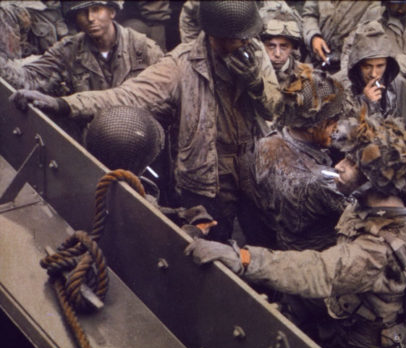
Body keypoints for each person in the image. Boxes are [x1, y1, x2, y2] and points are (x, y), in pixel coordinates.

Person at [185, 113, 406, 348]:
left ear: (375, 182)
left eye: (354, 164)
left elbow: (317, 271)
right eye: (347, 158)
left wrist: (243, 258)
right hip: (356, 316)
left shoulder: (375, 252)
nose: (339, 166)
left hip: (372, 343)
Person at [10, 1, 282, 245]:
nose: (246, 42)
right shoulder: (180, 65)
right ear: (216, 37)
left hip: (252, 163)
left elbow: (274, 108)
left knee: (265, 235)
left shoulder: (254, 53)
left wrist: (255, 82)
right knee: (213, 245)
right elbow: (127, 95)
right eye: (237, 38)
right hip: (206, 173)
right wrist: (65, 104)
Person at [248, 65, 347, 252]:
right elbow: (361, 205)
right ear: (311, 127)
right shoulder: (318, 180)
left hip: (281, 239)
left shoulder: (267, 143)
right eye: (331, 123)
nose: (336, 128)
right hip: (316, 253)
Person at [83, 105, 216, 239]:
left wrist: (178, 214)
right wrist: (194, 232)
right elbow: (153, 241)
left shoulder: (86, 178)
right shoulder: (134, 198)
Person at [0, 1, 162, 96]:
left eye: (96, 10)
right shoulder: (68, 49)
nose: (91, 18)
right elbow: (29, 78)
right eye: (84, 14)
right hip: (87, 130)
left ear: (112, 12)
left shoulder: (143, 48)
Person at [340, 0, 406, 135]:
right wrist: (352, 76)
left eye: (402, 4)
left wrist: (386, 67)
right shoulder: (375, 12)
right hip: (363, 86)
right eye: (393, 3)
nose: (397, 8)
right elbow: (352, 47)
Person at [344, 21, 406, 133]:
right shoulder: (343, 87)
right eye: (367, 66)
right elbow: (340, 133)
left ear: (388, 64)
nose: (373, 74)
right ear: (357, 64)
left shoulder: (403, 87)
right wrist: (364, 103)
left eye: (380, 66)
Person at [301, 0, 381, 73]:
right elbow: (309, 14)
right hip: (311, 60)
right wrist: (313, 37)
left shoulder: (373, 5)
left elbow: (363, 37)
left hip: (343, 68)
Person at [0, 1, 69, 60]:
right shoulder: (13, 10)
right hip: (34, 66)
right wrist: (24, 31)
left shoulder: (59, 6)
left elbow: (69, 40)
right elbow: (14, 55)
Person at [259, 2, 304, 89]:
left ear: (292, 47)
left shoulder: (306, 77)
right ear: (261, 45)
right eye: (271, 46)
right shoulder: (251, 74)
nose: (277, 54)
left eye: (284, 46)